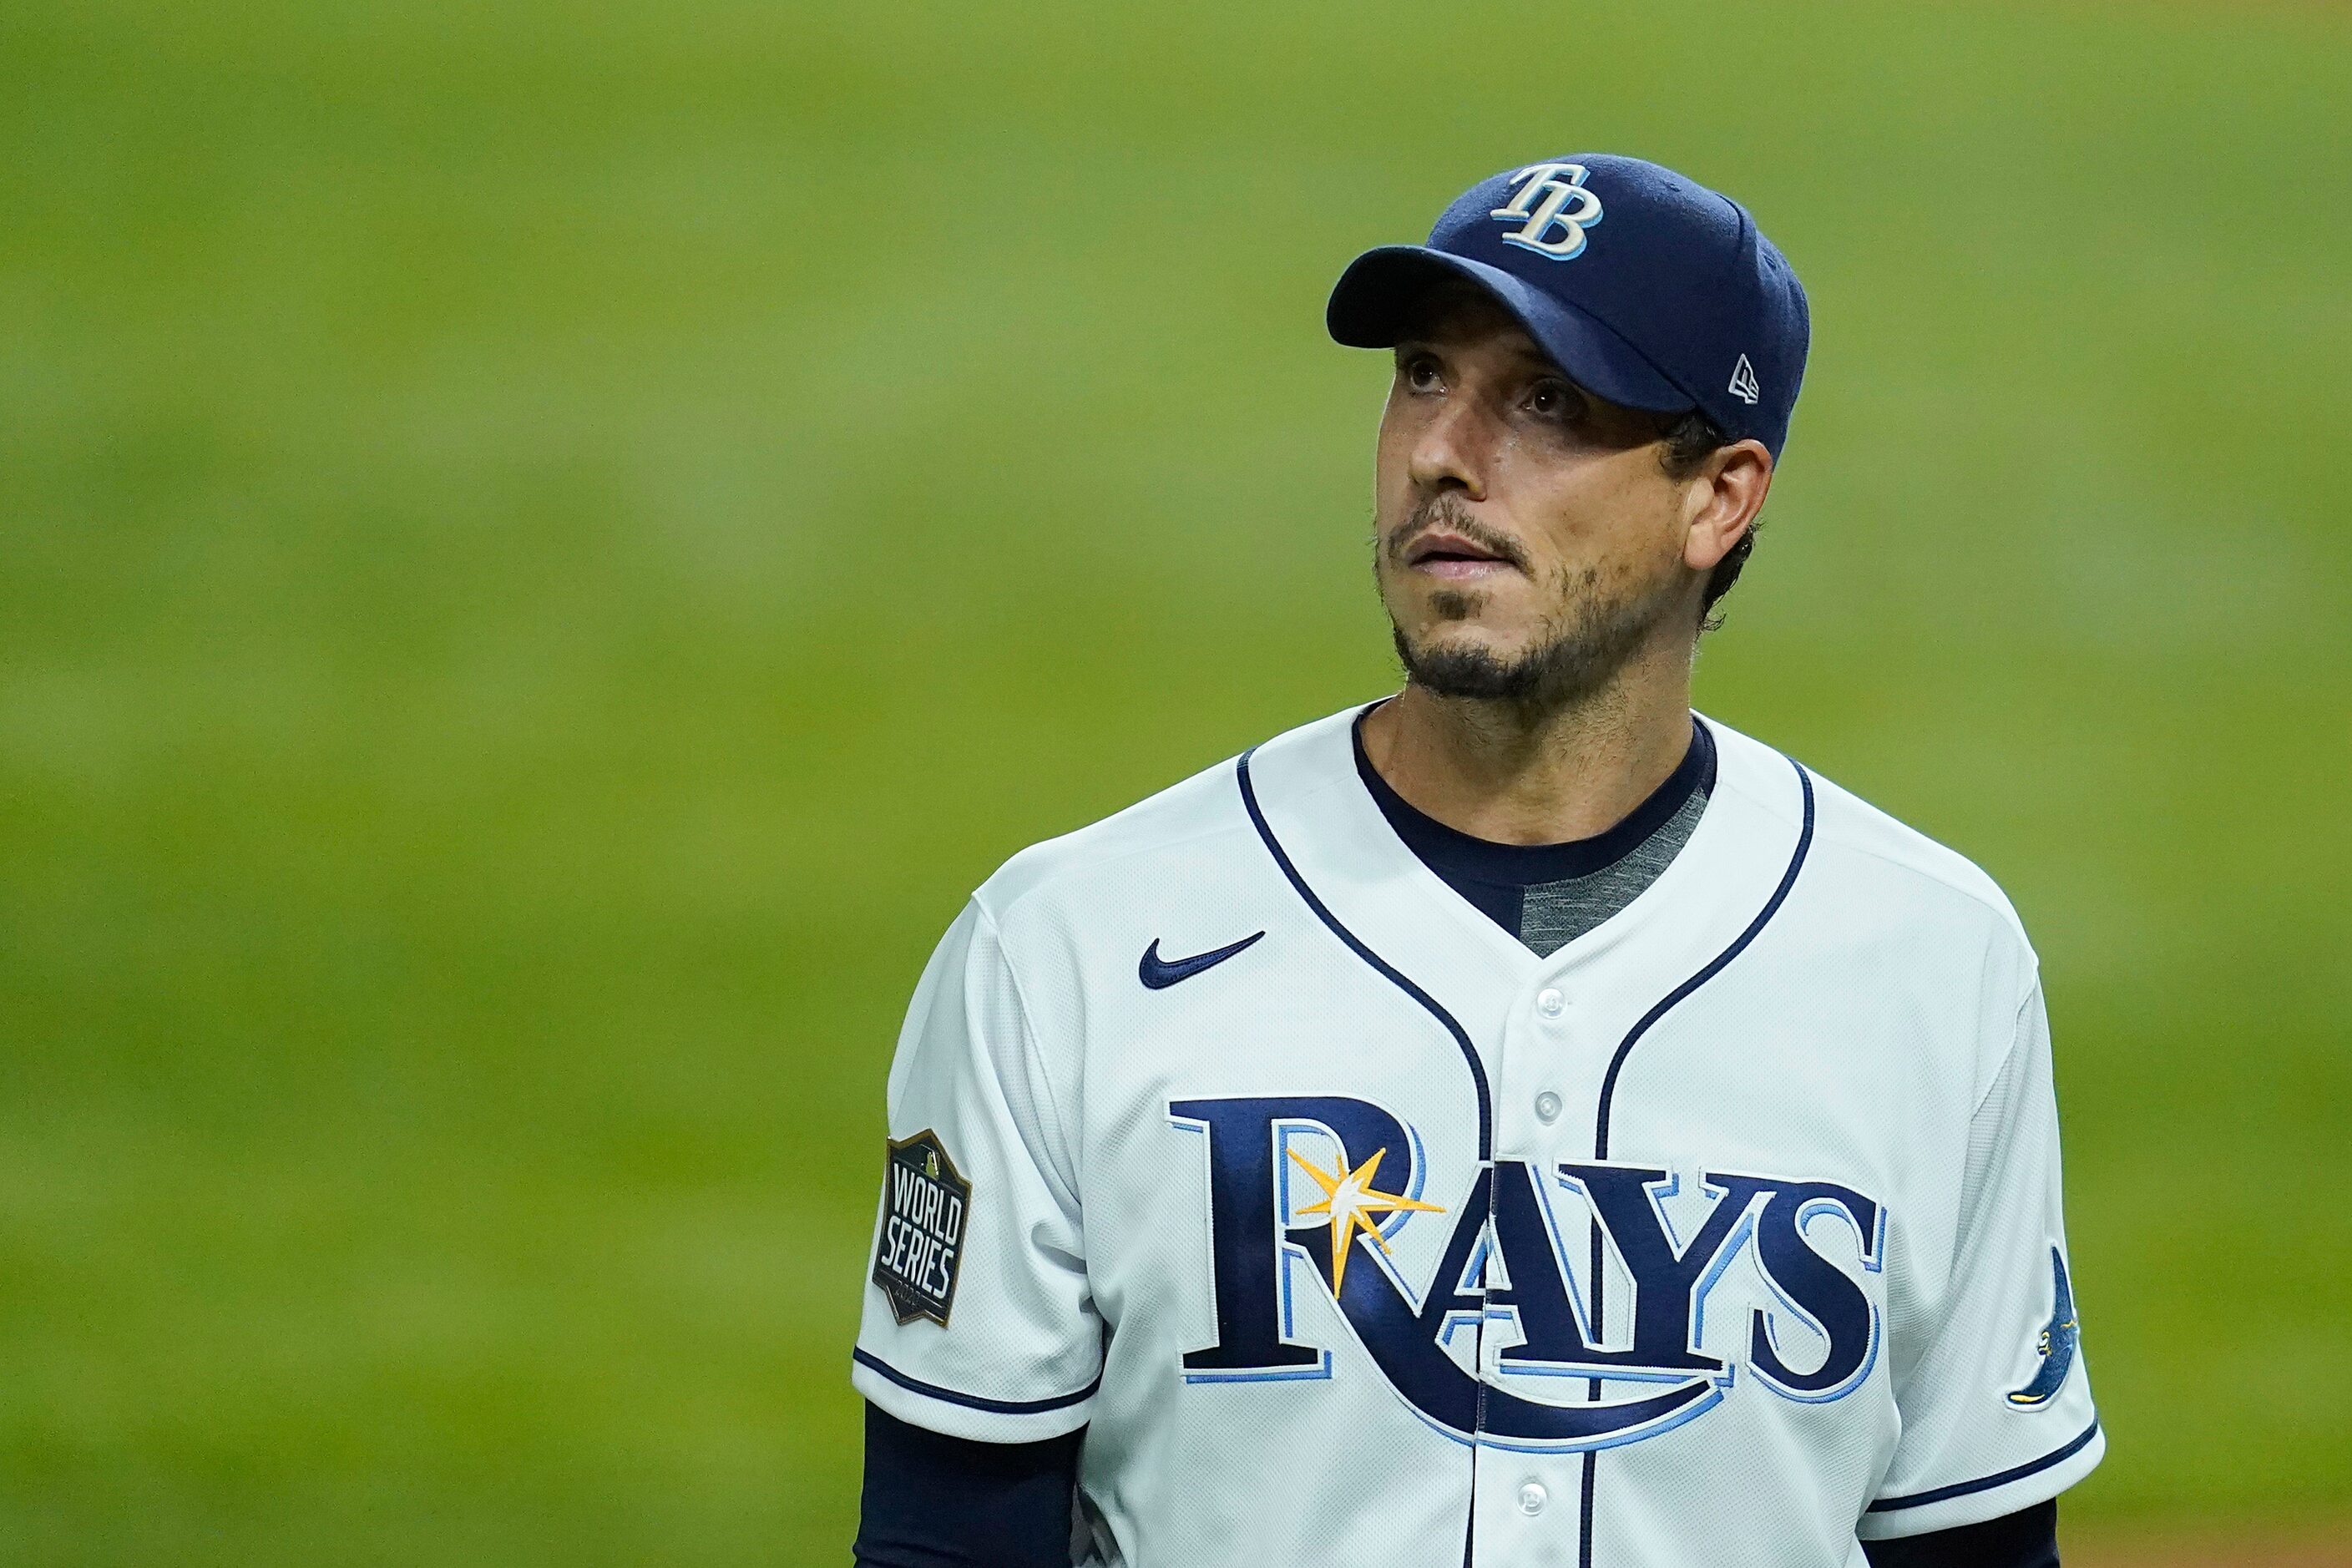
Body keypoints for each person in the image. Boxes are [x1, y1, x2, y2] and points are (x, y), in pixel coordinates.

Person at [849, 154, 2098, 1568]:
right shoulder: (1068, 945)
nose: (1445, 451)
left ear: (1718, 498)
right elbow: (943, 1539)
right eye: (1426, 376)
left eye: (1548, 400)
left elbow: (1975, 1543)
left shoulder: (1930, 960)